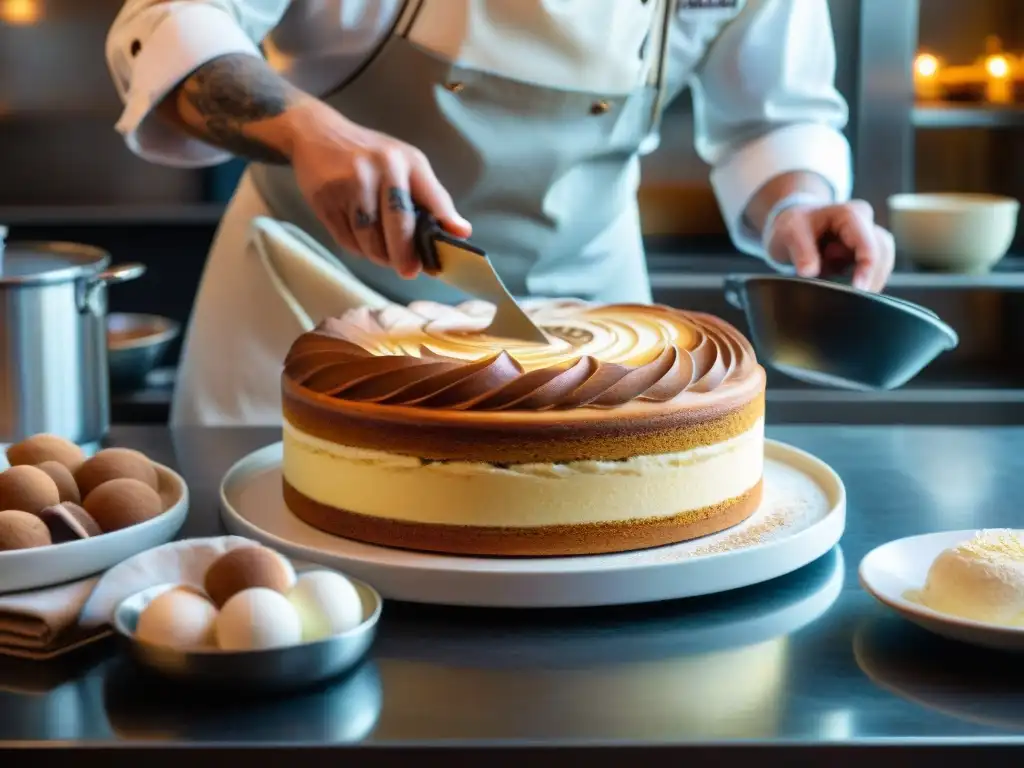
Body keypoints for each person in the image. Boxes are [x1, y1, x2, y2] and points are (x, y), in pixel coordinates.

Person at [106, 0, 895, 427]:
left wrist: (800, 202)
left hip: (590, 332)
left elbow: (769, 119)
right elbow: (169, 24)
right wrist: (314, 131)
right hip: (310, 309)